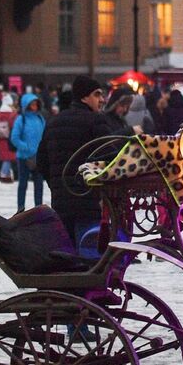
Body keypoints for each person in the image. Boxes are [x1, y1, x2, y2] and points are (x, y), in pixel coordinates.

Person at [33, 75, 128, 253]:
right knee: (89, 254)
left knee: (69, 259)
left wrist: (58, 185)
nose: (102, 100)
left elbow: (41, 162)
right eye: (97, 94)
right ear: (84, 97)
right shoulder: (95, 121)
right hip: (89, 204)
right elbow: (112, 157)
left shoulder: (54, 122)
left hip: (61, 205)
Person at [10, 94, 47, 212]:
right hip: (24, 157)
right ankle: (20, 207)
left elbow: (45, 135)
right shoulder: (21, 119)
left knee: (39, 185)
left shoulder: (40, 119)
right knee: (23, 184)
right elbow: (14, 137)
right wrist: (26, 148)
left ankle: (39, 208)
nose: (34, 106)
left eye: (36, 104)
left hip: (38, 157)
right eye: (32, 104)